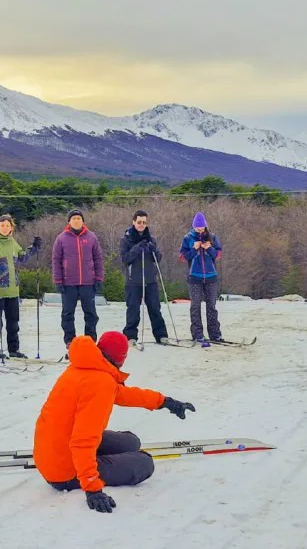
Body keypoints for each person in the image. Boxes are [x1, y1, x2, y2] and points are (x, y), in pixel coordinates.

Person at [33, 331, 196, 514]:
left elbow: (124, 394)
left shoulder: (83, 367)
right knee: (144, 463)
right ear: (121, 359)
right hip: (64, 471)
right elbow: (82, 441)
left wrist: (165, 401)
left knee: (131, 442)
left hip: (52, 449)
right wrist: (92, 488)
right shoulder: (100, 382)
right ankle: (84, 472)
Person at [0, 214, 42, 359]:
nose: (5, 227)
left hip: (13, 289)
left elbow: (22, 257)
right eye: (2, 225)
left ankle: (14, 349)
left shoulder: (12, 242)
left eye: (7, 225)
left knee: (13, 322)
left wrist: (33, 248)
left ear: (11, 228)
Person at [51, 209, 104, 359]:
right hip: (68, 283)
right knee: (68, 314)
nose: (76, 220)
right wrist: (58, 280)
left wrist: (99, 278)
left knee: (91, 314)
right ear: (69, 221)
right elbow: (56, 260)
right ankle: (71, 343)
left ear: (83, 221)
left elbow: (98, 258)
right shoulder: (61, 239)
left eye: (79, 218)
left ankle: (90, 343)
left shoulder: (91, 237)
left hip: (88, 282)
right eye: (73, 218)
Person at [120, 210, 168, 345]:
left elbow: (158, 259)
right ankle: (130, 336)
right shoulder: (126, 239)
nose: (142, 225)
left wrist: (154, 249)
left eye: (144, 222)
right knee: (133, 310)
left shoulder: (151, 239)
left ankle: (161, 335)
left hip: (150, 280)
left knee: (155, 309)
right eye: (139, 222)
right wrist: (136, 248)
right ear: (134, 222)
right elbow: (125, 259)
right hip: (133, 281)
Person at [179, 212, 223, 342]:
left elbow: (218, 255)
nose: (200, 229)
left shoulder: (212, 237)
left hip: (211, 277)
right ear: (193, 226)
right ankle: (197, 334)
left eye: (202, 227)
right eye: (197, 227)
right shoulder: (188, 238)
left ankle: (215, 334)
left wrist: (209, 248)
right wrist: (194, 249)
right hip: (194, 277)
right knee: (195, 306)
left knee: (212, 307)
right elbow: (183, 257)